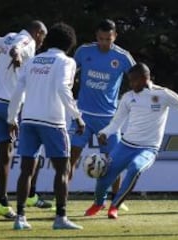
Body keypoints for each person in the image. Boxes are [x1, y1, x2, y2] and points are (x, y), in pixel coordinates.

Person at [84, 62, 178, 219]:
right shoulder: (128, 97)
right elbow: (117, 122)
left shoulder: (163, 94)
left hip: (148, 148)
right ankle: (98, 203)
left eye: (134, 80)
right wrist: (104, 133)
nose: (131, 84)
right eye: (129, 81)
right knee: (105, 175)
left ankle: (114, 206)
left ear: (145, 78)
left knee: (135, 167)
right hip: (125, 145)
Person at [7, 22, 85, 230]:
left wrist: (12, 118)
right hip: (53, 121)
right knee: (62, 169)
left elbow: (18, 91)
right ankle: (60, 218)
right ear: (70, 43)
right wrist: (77, 116)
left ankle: (20, 218)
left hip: (29, 120)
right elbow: (62, 88)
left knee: (26, 171)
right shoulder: (67, 62)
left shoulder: (32, 61)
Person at [69, 19, 135, 211]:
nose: (104, 42)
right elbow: (69, 72)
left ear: (115, 37)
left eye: (108, 39)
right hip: (82, 116)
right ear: (96, 36)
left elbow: (137, 79)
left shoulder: (123, 57)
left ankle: (115, 200)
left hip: (109, 120)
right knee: (71, 158)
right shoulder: (83, 51)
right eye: (100, 38)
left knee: (114, 162)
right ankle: (61, 199)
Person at [0, 20, 51, 219]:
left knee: (4, 154)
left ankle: (2, 202)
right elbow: (18, 47)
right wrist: (15, 54)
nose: (42, 42)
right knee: (34, 147)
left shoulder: (9, 36)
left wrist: (8, 46)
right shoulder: (28, 41)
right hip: (12, 104)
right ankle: (30, 195)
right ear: (38, 32)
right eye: (43, 37)